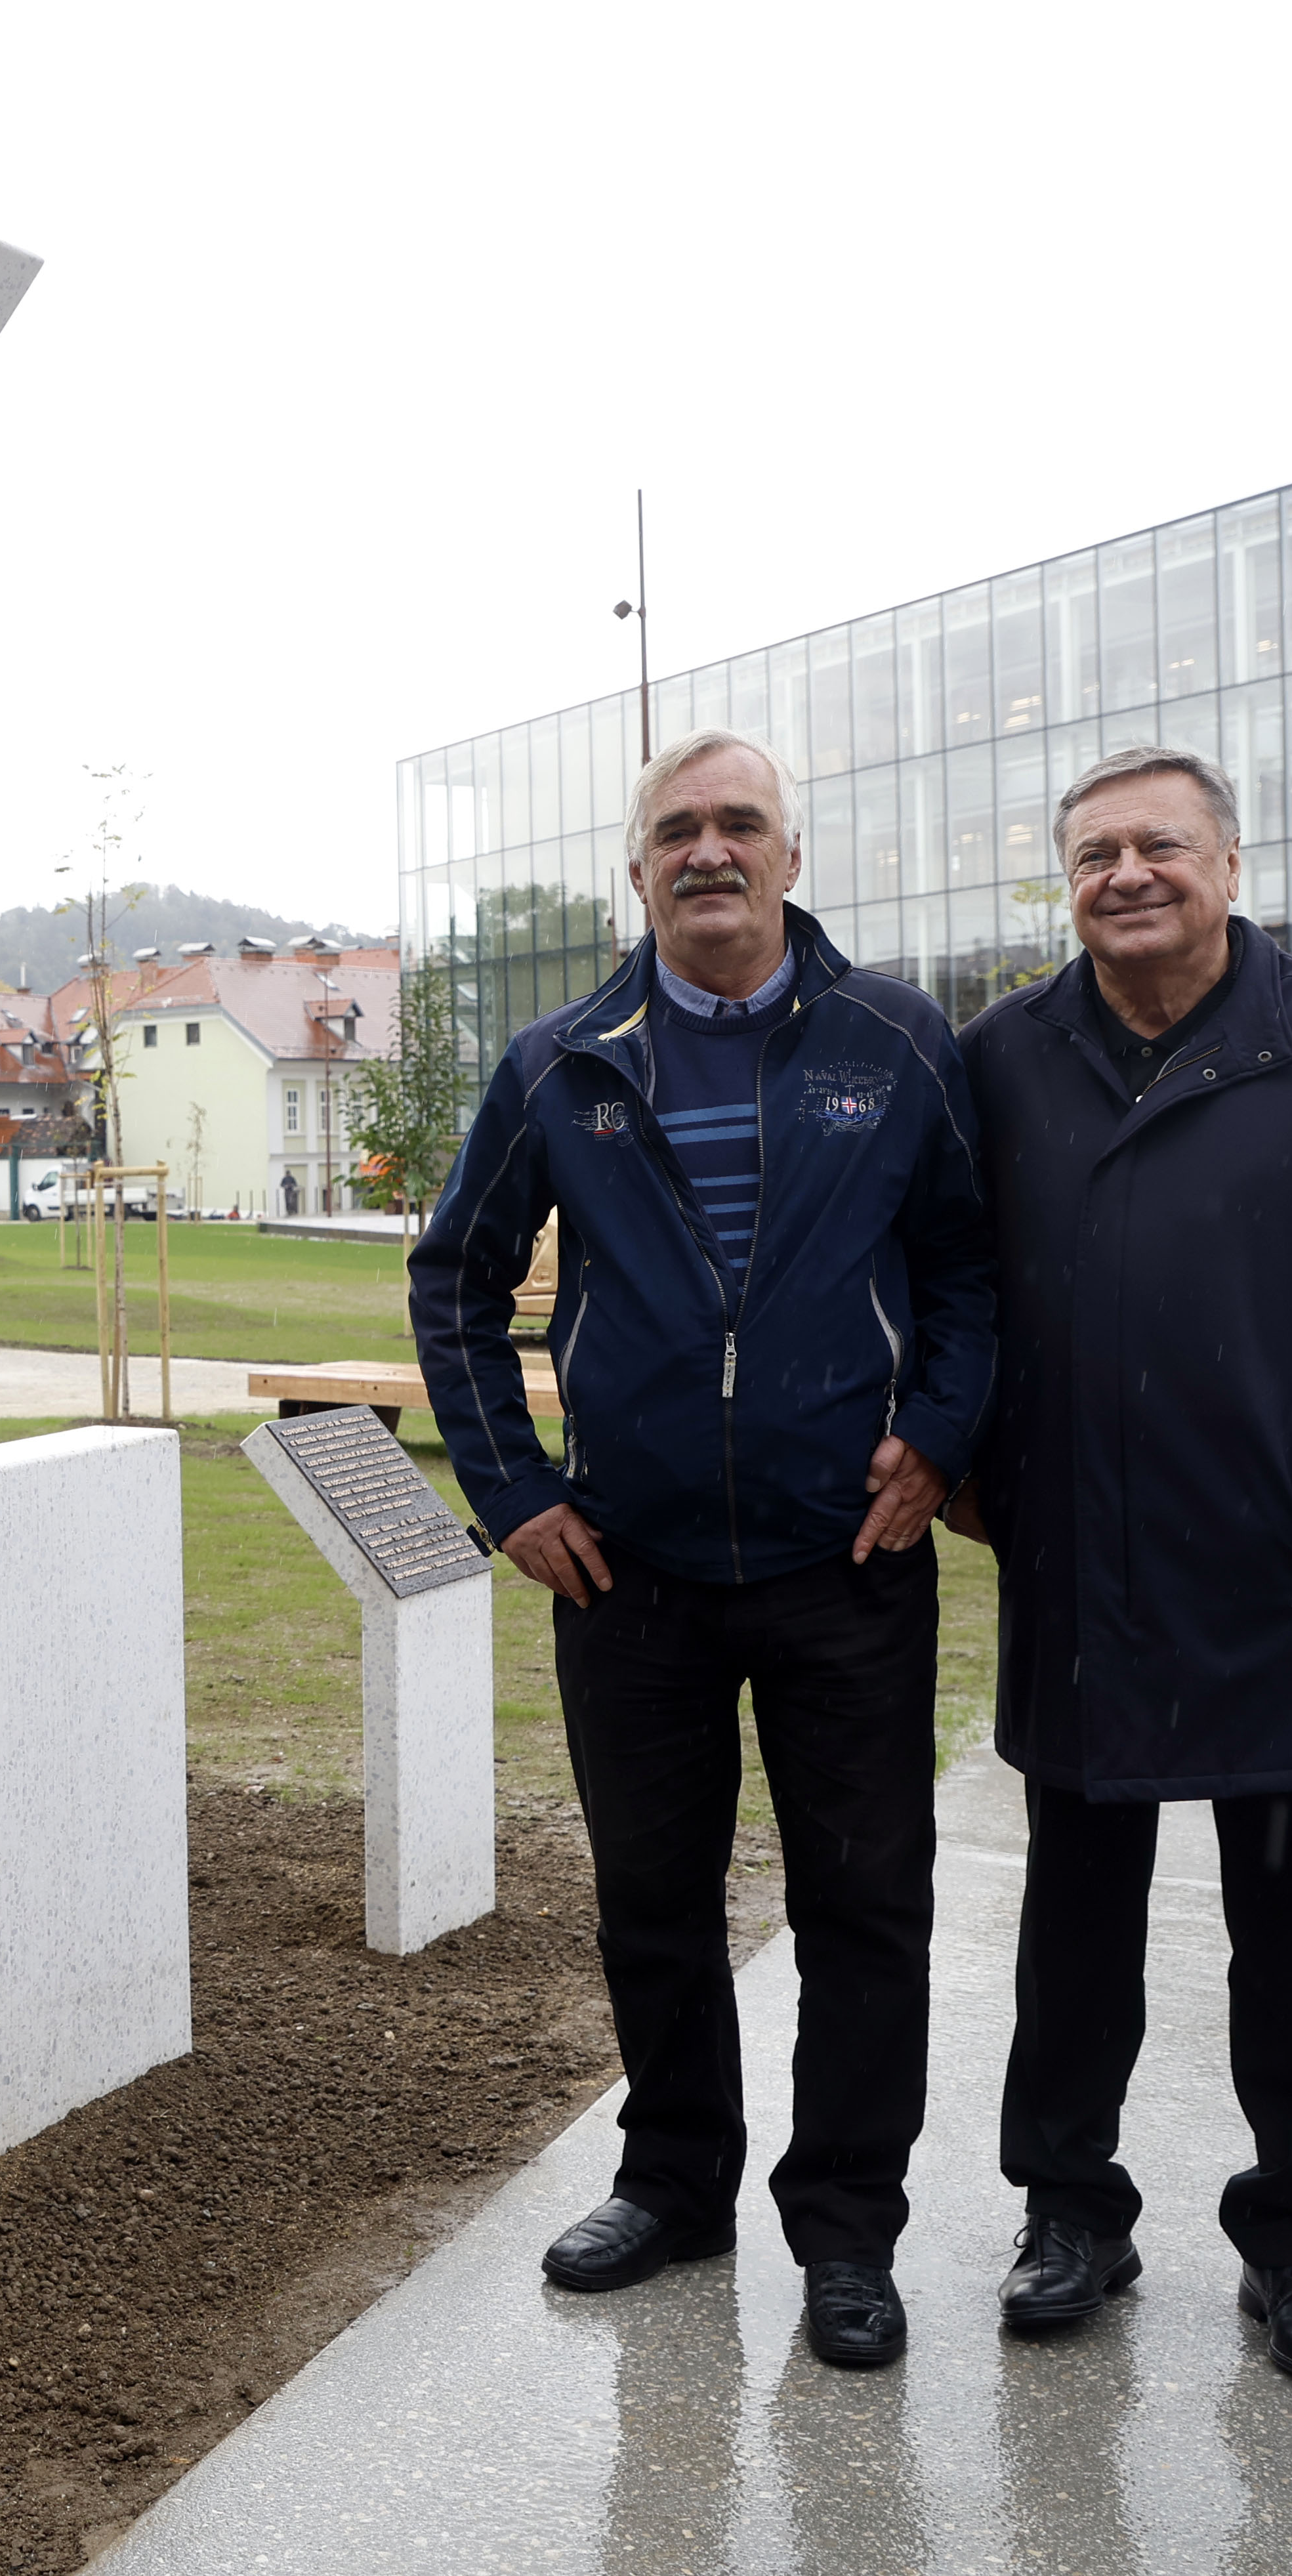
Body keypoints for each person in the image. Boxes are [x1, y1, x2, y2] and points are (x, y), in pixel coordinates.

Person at [411, 728, 993, 2373]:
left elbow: (968, 1271)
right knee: (651, 1902)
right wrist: (514, 1488)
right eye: (677, 829)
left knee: (866, 1907)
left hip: (847, 1564)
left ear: (792, 859)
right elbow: (457, 1279)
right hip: (632, 1572)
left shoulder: (896, 1042)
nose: (710, 849)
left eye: (741, 823)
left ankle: (849, 2227)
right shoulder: (558, 1063)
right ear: (640, 870)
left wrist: (939, 1436)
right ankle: (673, 2186)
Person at [951, 746, 1292, 2398]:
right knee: (1074, 1923)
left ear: (1231, 863)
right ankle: (1071, 2213)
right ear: (1067, 882)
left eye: (1160, 845)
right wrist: (982, 1469)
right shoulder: (1003, 1054)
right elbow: (953, 1282)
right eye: (1095, 851)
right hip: (1082, 1567)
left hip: (1282, 1569)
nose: (1127, 873)